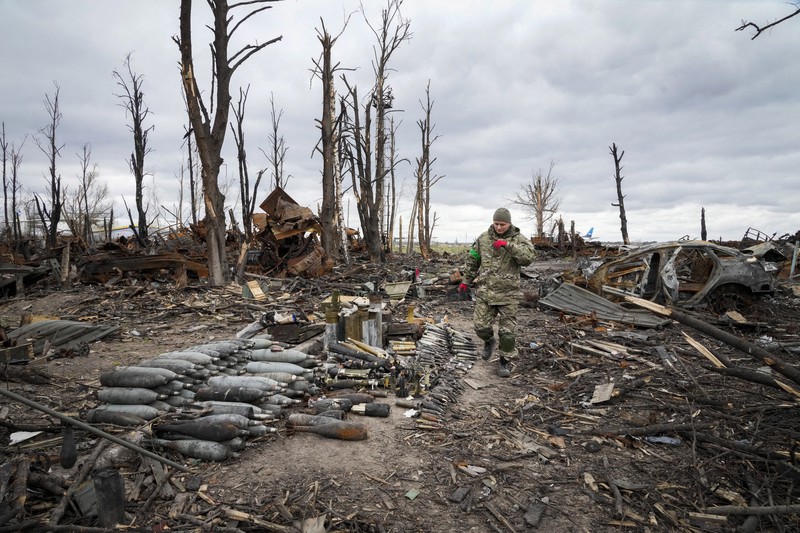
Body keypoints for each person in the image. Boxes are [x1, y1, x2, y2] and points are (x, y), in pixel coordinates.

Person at [458, 208, 536, 377]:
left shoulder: (519, 239)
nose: (499, 227)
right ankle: (488, 341)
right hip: (486, 293)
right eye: (496, 224)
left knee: (507, 334)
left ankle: (504, 362)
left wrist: (508, 246)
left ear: (509, 223)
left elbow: (529, 258)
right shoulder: (483, 239)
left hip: (508, 294)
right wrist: (466, 281)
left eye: (503, 224)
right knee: (480, 327)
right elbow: (473, 260)